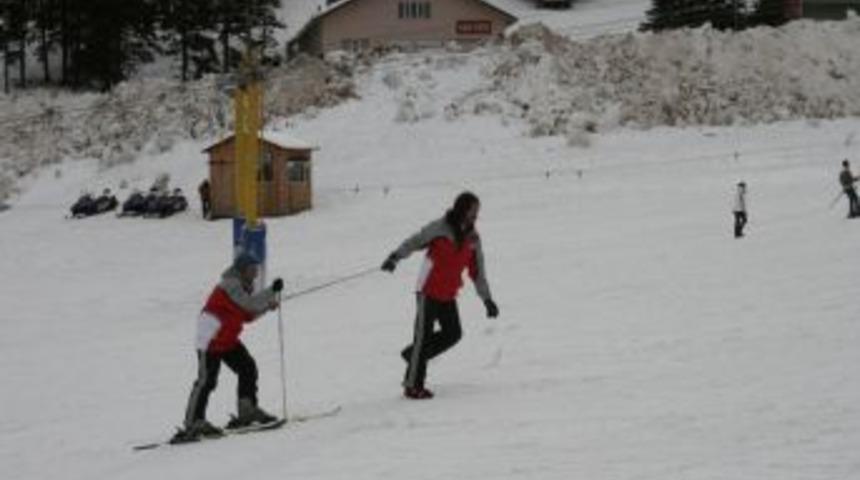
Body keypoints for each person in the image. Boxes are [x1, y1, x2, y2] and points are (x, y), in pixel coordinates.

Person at [381, 191, 499, 400]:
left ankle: (413, 355)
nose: (476, 216)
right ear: (462, 209)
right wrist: (395, 257)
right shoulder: (440, 228)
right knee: (423, 337)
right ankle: (413, 386)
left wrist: (487, 299)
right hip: (428, 290)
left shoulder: (473, 238)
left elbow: (478, 271)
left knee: (453, 333)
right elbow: (415, 241)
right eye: (473, 211)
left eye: (477, 212)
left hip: (448, 293)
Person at [175, 253, 284, 442]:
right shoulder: (231, 284)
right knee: (206, 380)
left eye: (256, 268)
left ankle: (247, 410)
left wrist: (267, 306)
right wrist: (270, 291)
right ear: (242, 269)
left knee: (247, 367)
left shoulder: (243, 286)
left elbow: (247, 315)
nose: (256, 273)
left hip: (226, 338)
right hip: (210, 337)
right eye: (252, 269)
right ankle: (193, 422)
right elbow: (249, 305)